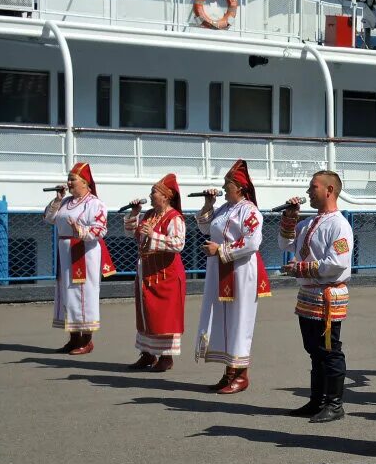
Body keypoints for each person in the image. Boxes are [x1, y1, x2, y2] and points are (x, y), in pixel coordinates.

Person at [278, 171, 353, 424]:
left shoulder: (339, 224)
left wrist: (299, 268)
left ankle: (334, 404)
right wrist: (289, 219)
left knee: (329, 350)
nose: (309, 192)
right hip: (309, 295)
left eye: (313, 187)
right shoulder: (309, 223)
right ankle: (317, 400)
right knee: (314, 350)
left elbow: (338, 263)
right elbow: (285, 244)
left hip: (328, 295)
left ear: (329, 190)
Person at [195, 159, 271, 394]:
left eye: (227, 184)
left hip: (241, 272)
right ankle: (229, 372)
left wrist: (220, 250)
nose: (223, 187)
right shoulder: (224, 208)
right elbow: (206, 228)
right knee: (223, 319)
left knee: (240, 320)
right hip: (220, 270)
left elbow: (252, 241)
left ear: (239, 187)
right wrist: (208, 203)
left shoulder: (250, 210)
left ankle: (241, 374)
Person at [44, 162, 116, 355]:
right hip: (65, 251)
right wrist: (57, 200)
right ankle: (73, 338)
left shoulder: (95, 204)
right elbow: (49, 219)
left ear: (85, 183)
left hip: (84, 252)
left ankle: (87, 340)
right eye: (68, 179)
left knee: (84, 294)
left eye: (72, 179)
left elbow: (101, 229)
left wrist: (80, 231)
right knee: (67, 293)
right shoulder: (66, 202)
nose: (68, 182)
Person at [124, 174, 186, 372]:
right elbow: (132, 234)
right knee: (146, 314)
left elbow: (179, 243)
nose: (150, 196)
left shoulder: (174, 217)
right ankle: (147, 353)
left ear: (166, 196)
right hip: (147, 273)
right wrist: (134, 213)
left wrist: (154, 235)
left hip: (165, 275)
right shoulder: (149, 214)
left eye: (154, 192)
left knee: (164, 317)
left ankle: (166, 358)